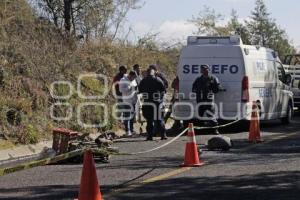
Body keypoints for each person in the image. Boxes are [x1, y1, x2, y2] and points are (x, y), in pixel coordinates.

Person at [139, 68, 167, 140]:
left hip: (147, 102)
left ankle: (149, 136)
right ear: (153, 73)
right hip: (157, 102)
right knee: (159, 119)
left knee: (149, 120)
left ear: (147, 73)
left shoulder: (143, 80)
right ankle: (163, 135)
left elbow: (140, 90)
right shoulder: (158, 79)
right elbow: (163, 89)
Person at [192, 64, 220, 134]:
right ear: (201, 71)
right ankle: (198, 131)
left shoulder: (213, 78)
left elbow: (216, 90)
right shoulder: (198, 79)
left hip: (209, 101)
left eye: (205, 69)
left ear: (208, 69)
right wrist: (198, 91)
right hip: (200, 100)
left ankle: (215, 130)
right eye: (202, 69)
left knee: (211, 116)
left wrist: (210, 90)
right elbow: (193, 88)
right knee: (199, 116)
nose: (204, 70)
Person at [119, 71, 137, 136]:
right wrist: (130, 87)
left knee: (132, 116)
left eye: (134, 78)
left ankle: (132, 130)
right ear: (130, 75)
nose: (133, 79)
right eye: (133, 77)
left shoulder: (134, 80)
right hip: (127, 101)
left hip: (133, 101)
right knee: (127, 116)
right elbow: (121, 90)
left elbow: (135, 88)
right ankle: (127, 130)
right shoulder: (123, 80)